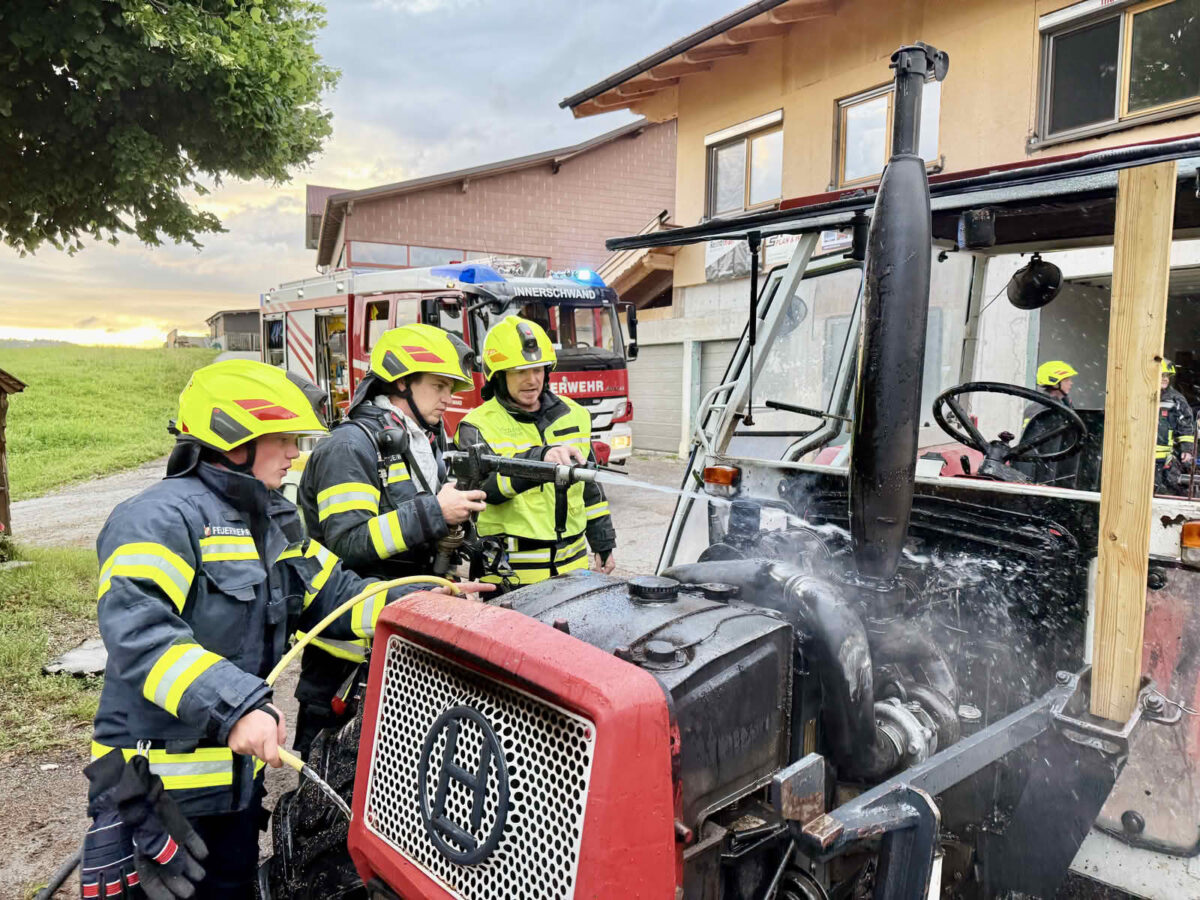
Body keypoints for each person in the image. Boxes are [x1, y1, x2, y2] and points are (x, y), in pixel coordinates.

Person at [82, 360, 486, 899]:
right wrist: (235, 708)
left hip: (234, 791)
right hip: (153, 793)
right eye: (285, 439)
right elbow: (141, 636)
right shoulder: (156, 519)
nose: (296, 453)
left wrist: (426, 606)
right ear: (235, 441)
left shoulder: (272, 520)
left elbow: (338, 597)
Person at [293, 323, 486, 755]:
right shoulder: (350, 447)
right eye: (438, 385)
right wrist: (434, 512)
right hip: (343, 659)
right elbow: (347, 542)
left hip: (400, 635)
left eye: (451, 387)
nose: (449, 397)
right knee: (326, 775)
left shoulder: (421, 440)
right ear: (401, 382)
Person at [455, 315, 616, 586]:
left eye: (538, 370)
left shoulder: (575, 415)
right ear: (499, 376)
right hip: (510, 578)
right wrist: (540, 461)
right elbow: (485, 489)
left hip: (573, 572)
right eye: (520, 371)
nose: (531, 380)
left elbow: (590, 489)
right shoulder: (476, 425)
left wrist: (603, 542)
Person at [1016, 360, 1078, 484]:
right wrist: (1026, 480)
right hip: (1040, 477)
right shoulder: (1039, 408)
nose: (1071, 383)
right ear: (1054, 382)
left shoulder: (1063, 408)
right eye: (1066, 380)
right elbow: (1027, 446)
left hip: (1054, 475)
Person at [1156, 359, 1196, 494]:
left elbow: (1186, 425)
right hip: (1140, 455)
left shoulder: (1176, 399)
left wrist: (1186, 449)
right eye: (1162, 375)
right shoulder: (1139, 396)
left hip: (1165, 458)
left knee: (1166, 491)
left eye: (1167, 376)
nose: (1165, 379)